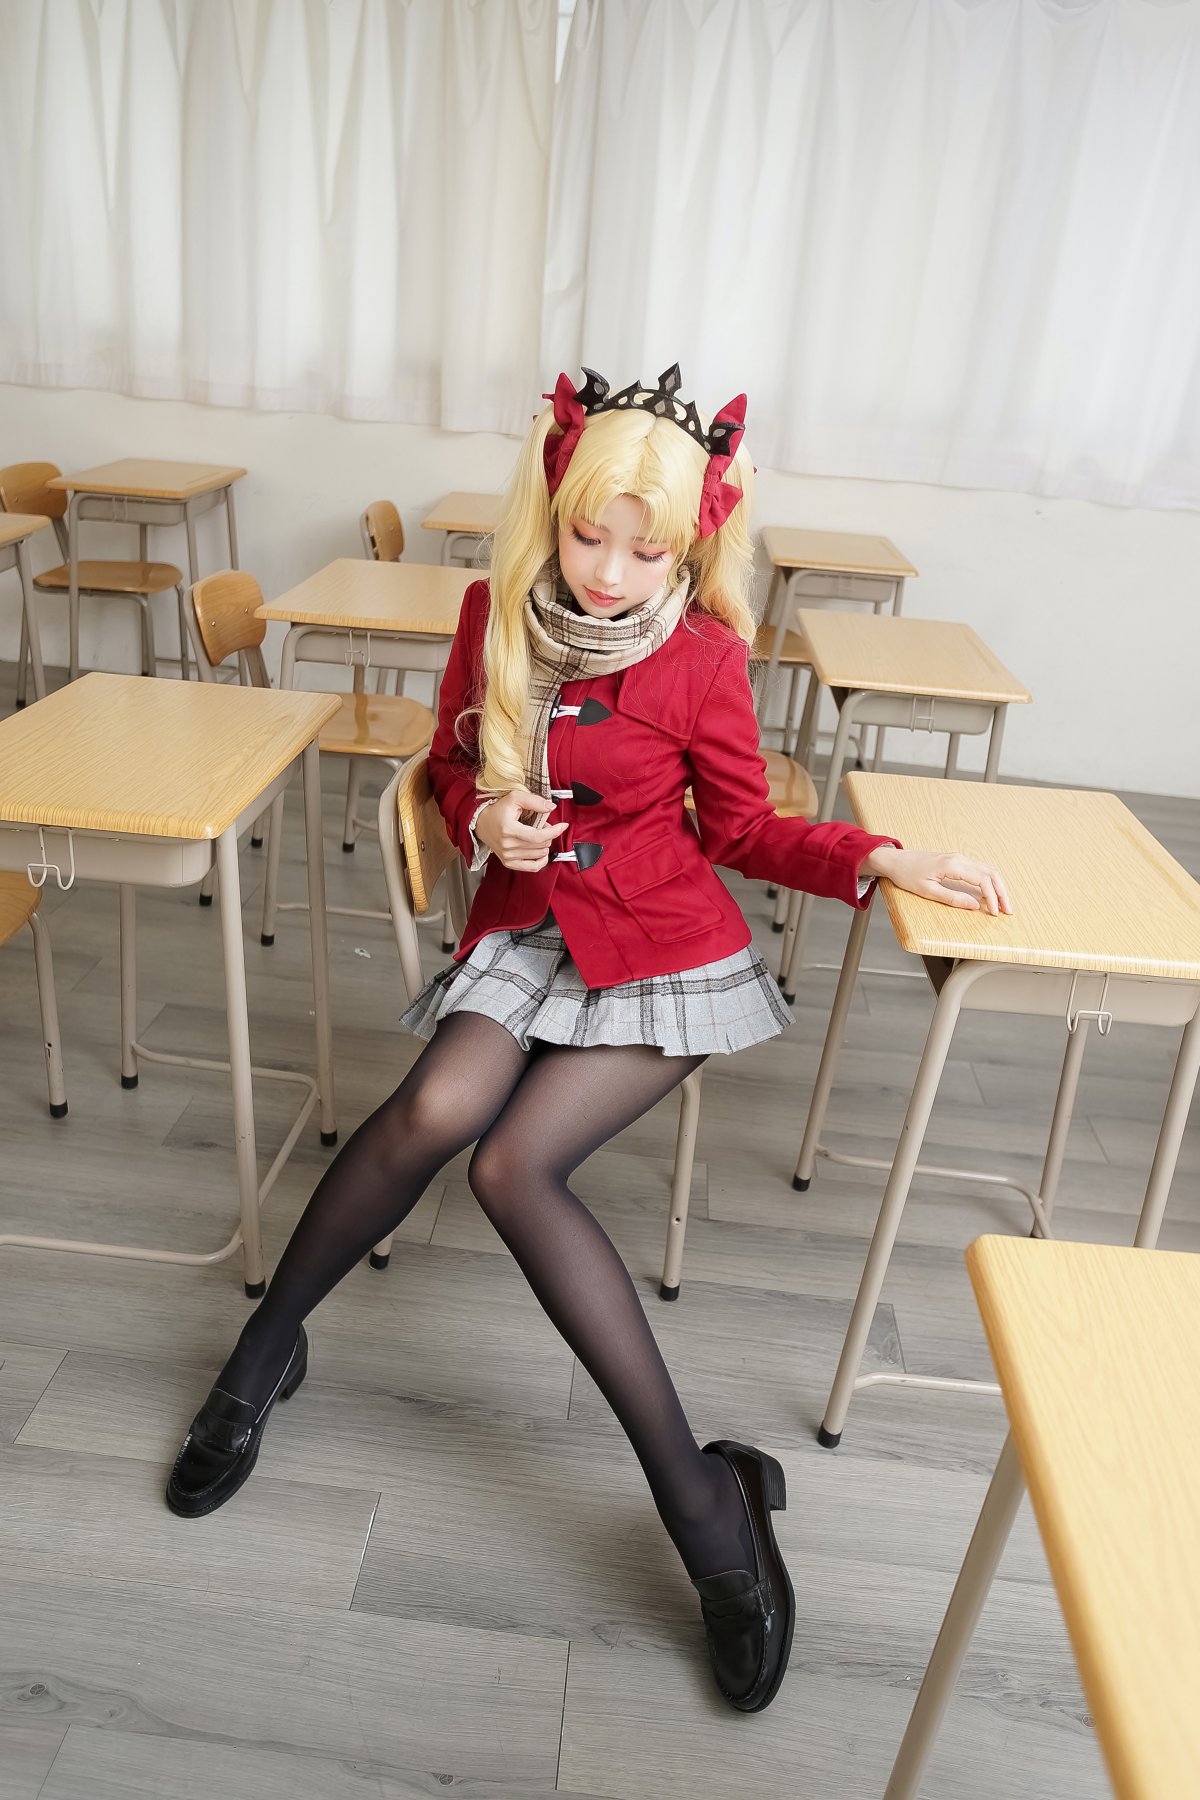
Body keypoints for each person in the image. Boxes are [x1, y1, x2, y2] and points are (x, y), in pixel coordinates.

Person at [166, 365, 1010, 1714]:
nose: (609, 573)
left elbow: (744, 830)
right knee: (437, 1111)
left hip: (663, 950)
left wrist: (882, 855)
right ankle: (266, 1350)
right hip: (527, 930)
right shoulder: (494, 613)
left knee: (511, 1169)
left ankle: (708, 1510)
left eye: (644, 549)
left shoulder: (706, 658)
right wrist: (481, 818)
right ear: (551, 510)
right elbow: (454, 764)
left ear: (690, 545)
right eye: (586, 535)